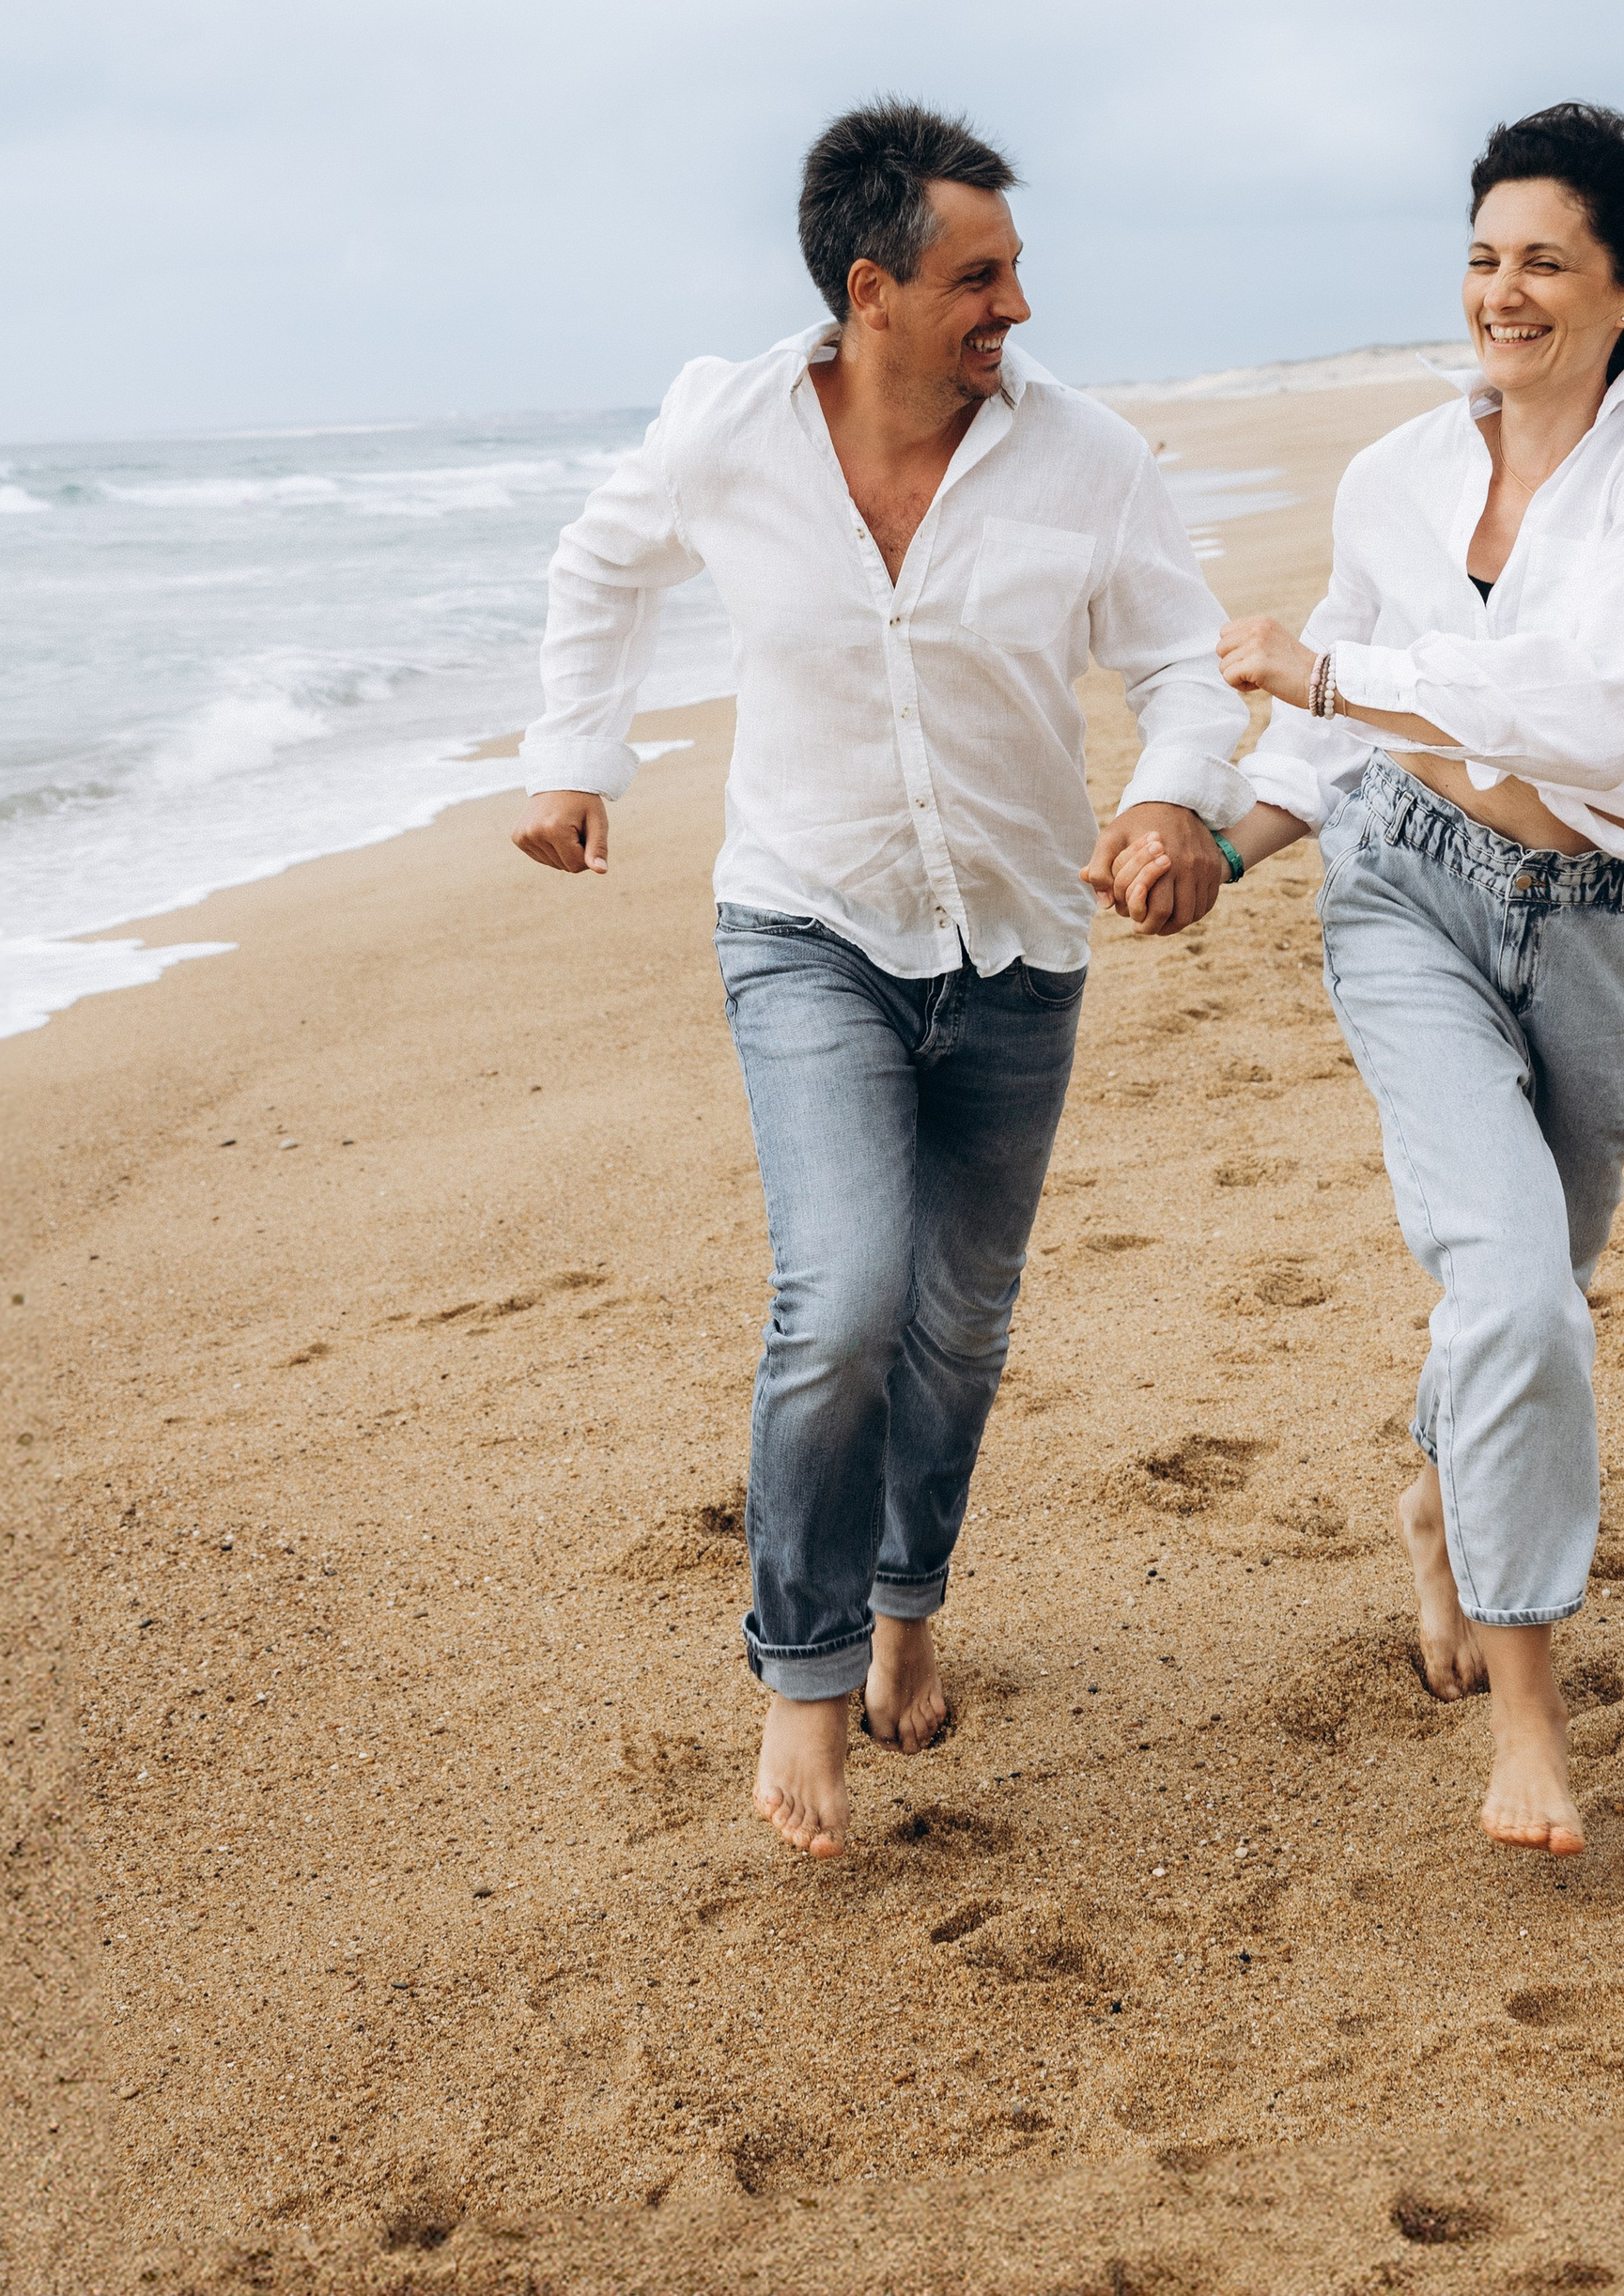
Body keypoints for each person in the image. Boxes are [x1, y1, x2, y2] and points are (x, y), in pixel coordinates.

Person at [514, 100, 1252, 1859]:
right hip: (806, 923)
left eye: (1013, 270)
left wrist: (1169, 798)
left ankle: (912, 1588)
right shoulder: (729, 430)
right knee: (841, 1298)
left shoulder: (1091, 461)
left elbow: (1190, 668)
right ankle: (806, 1675)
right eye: (977, 275)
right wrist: (574, 758)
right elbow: (600, 558)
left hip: (1018, 941)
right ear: (873, 290)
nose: (1015, 306)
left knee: (958, 1326)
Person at [1105, 103, 1624, 1857]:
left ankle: (1440, 1500)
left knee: (1536, 1293)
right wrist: (1216, 841)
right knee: (1514, 1295)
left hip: (1605, 924)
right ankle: (1530, 1723)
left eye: (1545, 262)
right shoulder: (1398, 475)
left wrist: (1339, 671)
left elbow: (1594, 714)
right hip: (1411, 900)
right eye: (1485, 256)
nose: (1503, 292)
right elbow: (1333, 744)